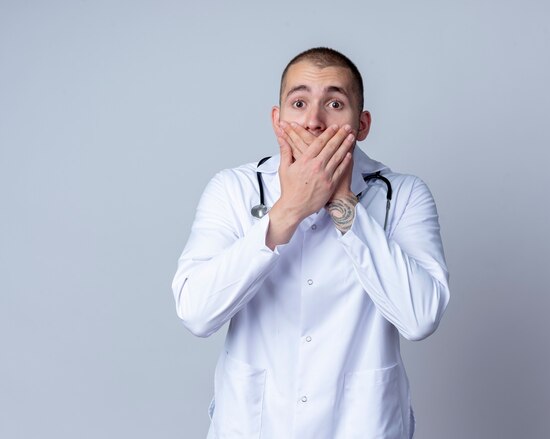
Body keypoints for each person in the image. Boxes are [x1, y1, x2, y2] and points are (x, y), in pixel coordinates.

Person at [172, 47, 450, 439]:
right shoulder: (232, 189)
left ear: (363, 123)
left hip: (363, 425)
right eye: (299, 102)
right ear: (277, 119)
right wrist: (288, 210)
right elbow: (197, 313)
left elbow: (420, 318)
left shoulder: (402, 195)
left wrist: (341, 200)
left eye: (335, 103)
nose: (315, 121)